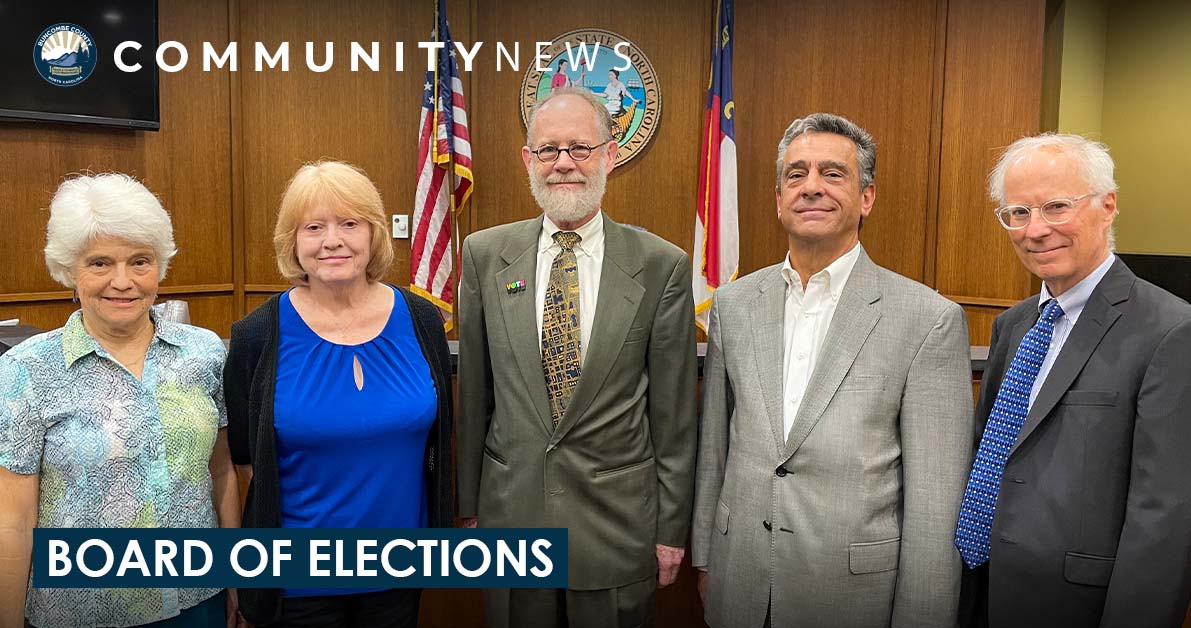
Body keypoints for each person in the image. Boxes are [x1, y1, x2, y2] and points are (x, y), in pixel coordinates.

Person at [692, 113, 973, 628]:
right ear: (778, 199)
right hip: (740, 585)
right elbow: (717, 447)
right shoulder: (732, 305)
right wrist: (708, 558)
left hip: (854, 598)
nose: (811, 187)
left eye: (833, 174)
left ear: (867, 198)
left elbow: (935, 503)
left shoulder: (927, 320)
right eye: (795, 175)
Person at [456, 86, 697, 628]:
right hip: (510, 524)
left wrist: (671, 532)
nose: (563, 164)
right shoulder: (484, 255)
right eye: (548, 150)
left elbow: (675, 421)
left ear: (610, 155)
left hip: (618, 530)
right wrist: (468, 508)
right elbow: (474, 395)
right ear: (528, 160)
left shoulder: (662, 266)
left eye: (580, 149)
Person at [956, 134, 1191, 628]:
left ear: (1107, 206)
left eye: (1056, 207)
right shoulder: (1014, 324)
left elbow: (1165, 520)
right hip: (979, 588)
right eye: (1017, 213)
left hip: (1076, 607)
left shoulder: (1173, 330)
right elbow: (993, 453)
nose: (1035, 229)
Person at [0, 173, 239, 628]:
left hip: (198, 597)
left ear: (161, 266)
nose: (122, 282)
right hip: (81, 610)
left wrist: (236, 581)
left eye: (140, 261)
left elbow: (221, 470)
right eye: (100, 263)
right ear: (70, 269)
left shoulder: (204, 351)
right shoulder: (26, 369)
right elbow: (12, 518)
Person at [224, 161, 453, 627]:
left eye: (350, 224)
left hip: (400, 569)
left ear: (373, 236)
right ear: (293, 242)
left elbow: (441, 439)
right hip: (299, 581)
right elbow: (246, 460)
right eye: (314, 227)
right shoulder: (255, 337)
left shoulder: (422, 320)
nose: (333, 240)